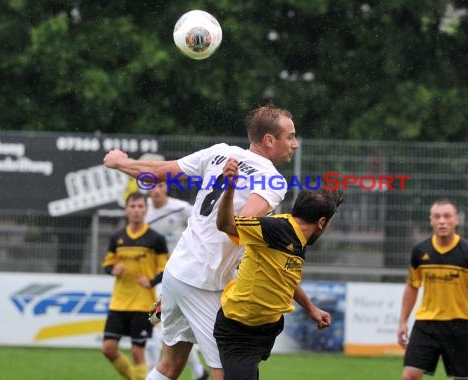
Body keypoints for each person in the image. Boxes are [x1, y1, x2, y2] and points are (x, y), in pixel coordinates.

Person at [103, 105, 331, 380]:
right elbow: (239, 226)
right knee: (227, 372)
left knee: (169, 367)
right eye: (290, 136)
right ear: (270, 140)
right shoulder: (272, 180)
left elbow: (158, 172)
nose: (295, 144)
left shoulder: (220, 152)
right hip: (204, 282)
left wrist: (120, 162)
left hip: (178, 273)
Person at [214, 159, 344, 379]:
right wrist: (229, 189)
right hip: (239, 329)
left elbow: (284, 277)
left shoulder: (299, 240)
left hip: (267, 329)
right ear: (321, 222)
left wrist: (311, 309)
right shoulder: (275, 228)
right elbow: (225, 225)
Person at [396, 199, 468, 380]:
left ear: (457, 219)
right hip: (426, 324)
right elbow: (412, 286)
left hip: (460, 325)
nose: (442, 221)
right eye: (437, 216)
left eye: (447, 216)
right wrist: (402, 321)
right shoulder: (420, 251)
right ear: (431, 220)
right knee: (409, 375)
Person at [101, 192, 169, 380]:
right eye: (133, 206)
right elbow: (107, 263)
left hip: (142, 304)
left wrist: (151, 281)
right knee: (108, 348)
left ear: (146, 210)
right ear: (126, 209)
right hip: (119, 302)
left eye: (140, 206)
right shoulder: (117, 237)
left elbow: (165, 268)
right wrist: (112, 269)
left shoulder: (156, 239)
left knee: (137, 351)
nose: (137, 210)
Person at [145, 182, 209, 380]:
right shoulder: (142, 210)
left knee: (167, 329)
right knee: (169, 329)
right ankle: (197, 371)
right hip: (157, 277)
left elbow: (205, 225)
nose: (156, 189)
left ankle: (159, 371)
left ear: (166, 187)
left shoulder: (181, 208)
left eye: (160, 185)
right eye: (151, 185)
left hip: (183, 274)